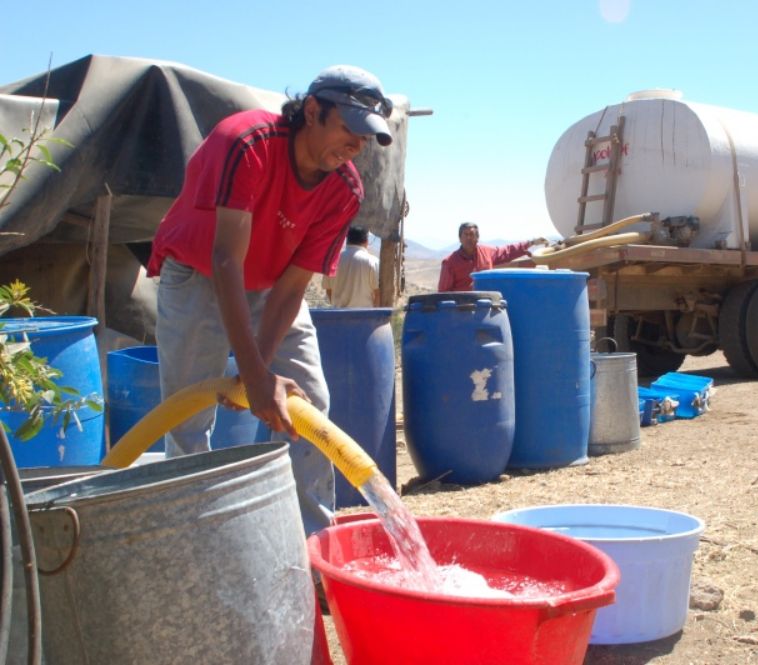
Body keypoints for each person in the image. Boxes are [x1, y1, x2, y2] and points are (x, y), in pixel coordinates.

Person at [146, 64, 393, 535]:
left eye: (365, 140)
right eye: (349, 130)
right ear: (314, 110)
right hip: (200, 274)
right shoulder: (248, 143)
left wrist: (256, 367)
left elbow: (293, 287)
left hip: (272, 285)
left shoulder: (343, 190)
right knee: (188, 416)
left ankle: (310, 547)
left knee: (309, 403)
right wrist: (256, 376)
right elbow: (224, 261)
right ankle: (201, 543)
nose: (355, 147)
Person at [438, 222, 548, 291]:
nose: (468, 238)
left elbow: (507, 251)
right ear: (460, 238)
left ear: (477, 238)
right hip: (462, 310)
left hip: (486, 305)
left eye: (471, 235)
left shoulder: (487, 252)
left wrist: (531, 243)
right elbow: (443, 293)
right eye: (465, 235)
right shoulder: (449, 262)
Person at [322, 225, 380, 307]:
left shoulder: (332, 261)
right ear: (366, 241)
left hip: (337, 317)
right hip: (365, 318)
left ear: (347, 240)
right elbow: (378, 294)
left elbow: (329, 290)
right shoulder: (373, 262)